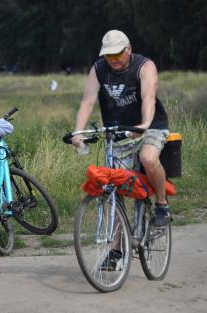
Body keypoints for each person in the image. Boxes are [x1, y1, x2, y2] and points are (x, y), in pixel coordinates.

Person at [72, 29, 171, 228]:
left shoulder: (144, 66)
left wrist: (143, 125)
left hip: (151, 126)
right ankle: (116, 250)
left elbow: (148, 97)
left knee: (148, 158)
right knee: (113, 187)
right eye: (109, 55)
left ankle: (162, 205)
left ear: (129, 49)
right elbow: (87, 101)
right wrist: (78, 131)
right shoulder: (99, 69)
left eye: (118, 54)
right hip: (118, 132)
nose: (113, 59)